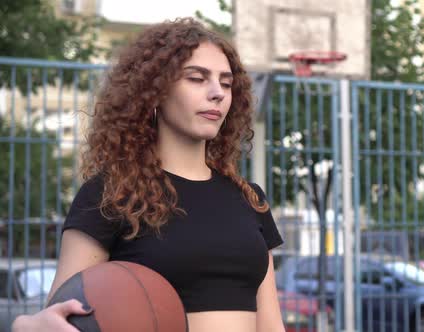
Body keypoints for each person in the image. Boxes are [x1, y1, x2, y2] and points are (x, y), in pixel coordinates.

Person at [12, 17, 285, 332]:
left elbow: (271, 324)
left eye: (226, 83)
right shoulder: (110, 195)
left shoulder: (249, 199)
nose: (217, 93)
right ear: (154, 92)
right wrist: (25, 325)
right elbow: (60, 316)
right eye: (197, 78)